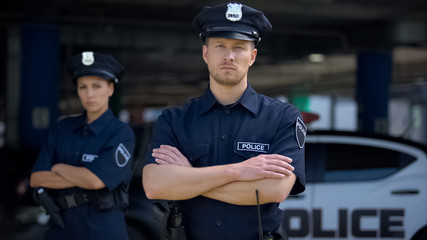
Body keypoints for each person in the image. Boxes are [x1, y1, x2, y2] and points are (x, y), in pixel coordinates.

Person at [143, 2, 306, 240]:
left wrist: (190, 177)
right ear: (206, 53)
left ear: (252, 56)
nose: (229, 56)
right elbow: (155, 185)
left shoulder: (283, 118)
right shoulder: (174, 120)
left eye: (239, 47)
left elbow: (275, 189)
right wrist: (239, 171)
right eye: (220, 45)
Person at [30, 51, 135, 240]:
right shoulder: (62, 129)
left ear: (111, 89)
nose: (89, 94)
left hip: (103, 230)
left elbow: (96, 181)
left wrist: (58, 168)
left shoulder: (120, 133)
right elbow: (37, 178)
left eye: (97, 86)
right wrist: (84, 176)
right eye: (82, 87)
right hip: (61, 228)